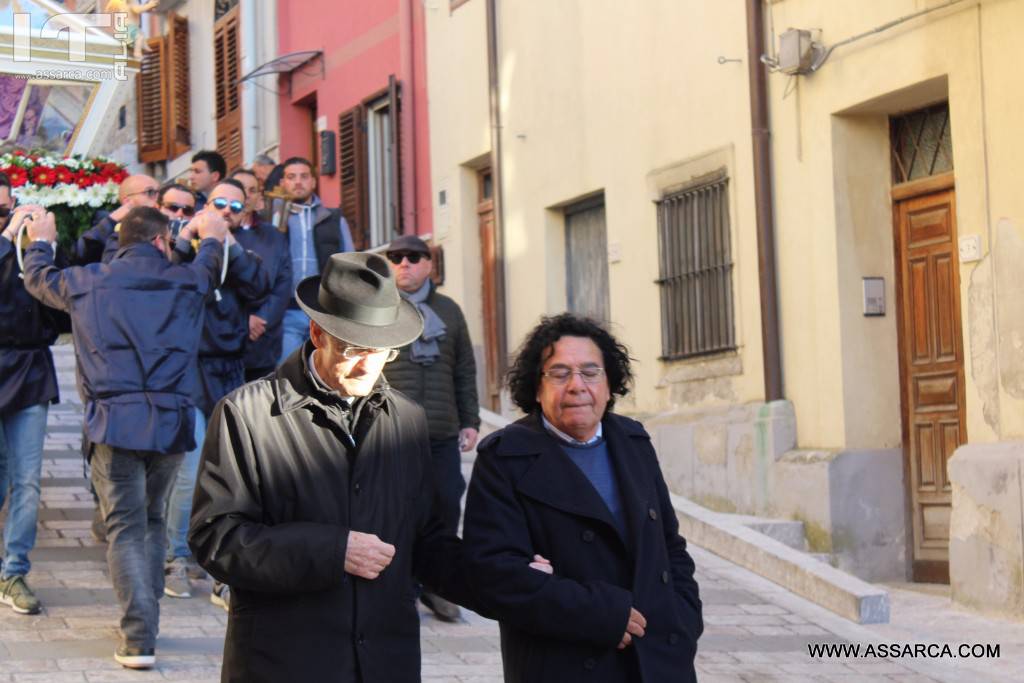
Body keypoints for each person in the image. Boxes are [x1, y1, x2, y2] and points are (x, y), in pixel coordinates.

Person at [188, 252, 473, 682]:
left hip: (383, 661)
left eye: (382, 352)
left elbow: (427, 540)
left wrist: (501, 571)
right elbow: (216, 538)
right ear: (318, 334)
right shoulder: (245, 413)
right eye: (355, 350)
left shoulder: (408, 419)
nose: (367, 366)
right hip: (283, 662)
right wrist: (332, 550)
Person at [21, 205, 229, 670]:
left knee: (127, 528)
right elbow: (210, 265)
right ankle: (145, 612)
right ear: (161, 241)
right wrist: (209, 234)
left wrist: (41, 238)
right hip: (171, 421)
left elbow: (36, 278)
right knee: (152, 521)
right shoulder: (185, 280)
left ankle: (138, 634)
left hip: (114, 423)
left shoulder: (88, 280)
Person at [463, 313, 704, 683]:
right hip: (565, 662)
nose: (577, 386)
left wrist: (685, 617)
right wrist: (601, 614)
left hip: (657, 660)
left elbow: (670, 545)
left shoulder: (633, 441)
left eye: (590, 372)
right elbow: (495, 576)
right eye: (559, 374)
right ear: (537, 386)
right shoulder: (505, 457)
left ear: (609, 384)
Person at [163, 179, 270, 603]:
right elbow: (171, 282)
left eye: (234, 207)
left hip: (229, 372)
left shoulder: (246, 254)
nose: (225, 211)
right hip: (187, 373)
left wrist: (228, 244)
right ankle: (174, 558)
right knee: (188, 475)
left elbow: (259, 286)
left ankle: (222, 566)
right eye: (218, 203)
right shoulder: (181, 244)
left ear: (243, 215)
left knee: (228, 476)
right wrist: (194, 239)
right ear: (203, 206)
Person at [384, 235, 480, 622]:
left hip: (441, 431)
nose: (404, 263)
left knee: (443, 509)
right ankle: (401, 587)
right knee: (396, 512)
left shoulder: (450, 311)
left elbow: (465, 370)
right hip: (393, 432)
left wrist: (471, 421)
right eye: (396, 258)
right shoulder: (379, 308)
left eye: (413, 257)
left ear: (428, 264)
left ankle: (438, 587)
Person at [0, 180, 68, 615]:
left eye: (8, 210)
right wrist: (6, 240)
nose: (7, 218)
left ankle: (13, 570)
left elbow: (64, 296)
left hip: (30, 369)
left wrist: (44, 242)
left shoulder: (37, 250)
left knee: (26, 478)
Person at [276, 156, 355, 363]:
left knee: (324, 370)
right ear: (283, 183)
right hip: (287, 312)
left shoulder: (332, 218)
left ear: (313, 181)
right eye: (291, 177)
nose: (298, 182)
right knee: (287, 370)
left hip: (324, 312)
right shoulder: (275, 221)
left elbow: (349, 264)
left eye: (304, 176)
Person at [231, 168, 291, 381]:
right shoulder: (217, 233)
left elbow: (283, 283)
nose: (246, 194)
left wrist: (263, 318)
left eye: (252, 189)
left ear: (259, 197)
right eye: (241, 188)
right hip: (226, 338)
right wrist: (243, 320)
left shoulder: (273, 236)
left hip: (264, 338)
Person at [74, 174, 160, 264]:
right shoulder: (111, 226)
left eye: (159, 193)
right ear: (128, 201)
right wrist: (110, 221)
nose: (157, 198)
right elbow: (82, 253)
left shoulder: (168, 221)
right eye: (150, 192)